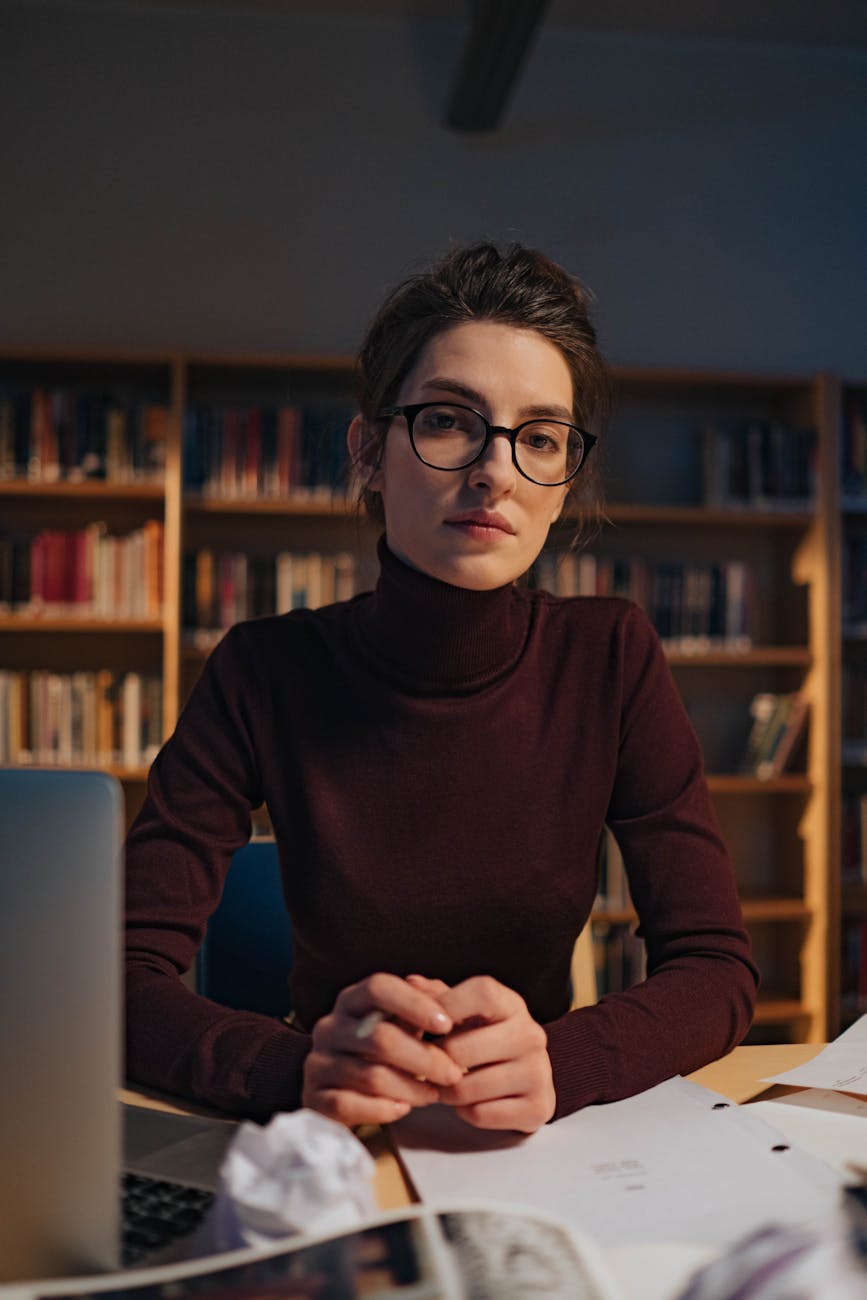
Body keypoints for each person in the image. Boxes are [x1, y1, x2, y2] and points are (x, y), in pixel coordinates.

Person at [124, 241, 758, 1134]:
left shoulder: (610, 655)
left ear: (563, 476)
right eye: (450, 421)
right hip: (330, 1131)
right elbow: (114, 975)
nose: (495, 471)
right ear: (369, 451)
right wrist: (294, 1068)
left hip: (534, 1130)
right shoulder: (263, 668)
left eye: (538, 437)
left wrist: (561, 1063)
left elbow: (716, 970)